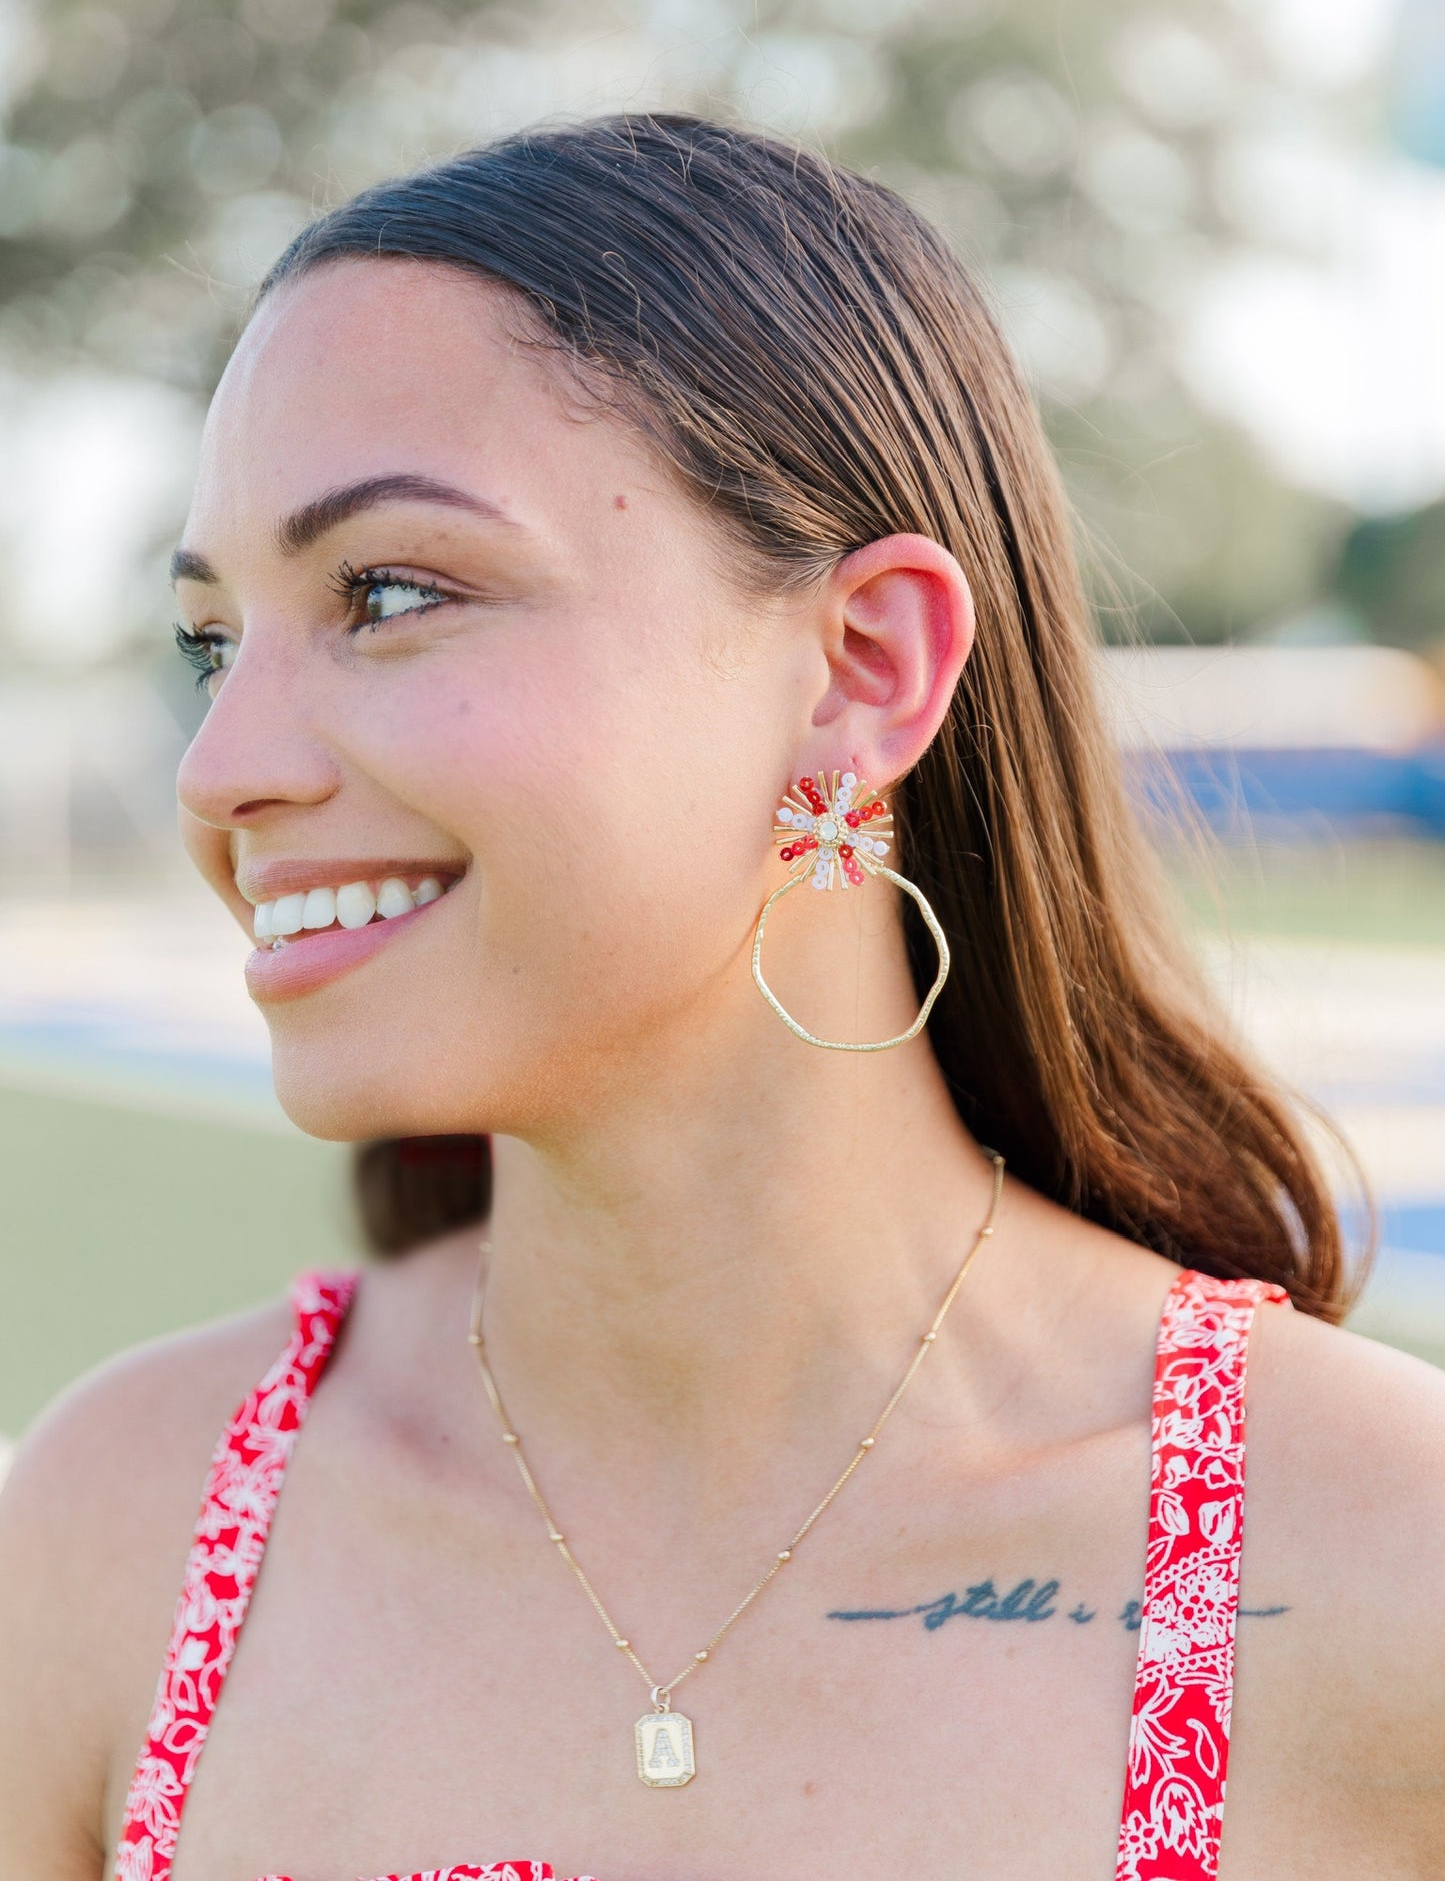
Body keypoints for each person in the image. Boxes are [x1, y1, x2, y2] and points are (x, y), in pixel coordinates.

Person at [1, 115, 1442, 1881]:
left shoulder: (1385, 1574)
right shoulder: (110, 1535)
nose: (221, 767)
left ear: (857, 671)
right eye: (213, 640)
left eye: (385, 592)